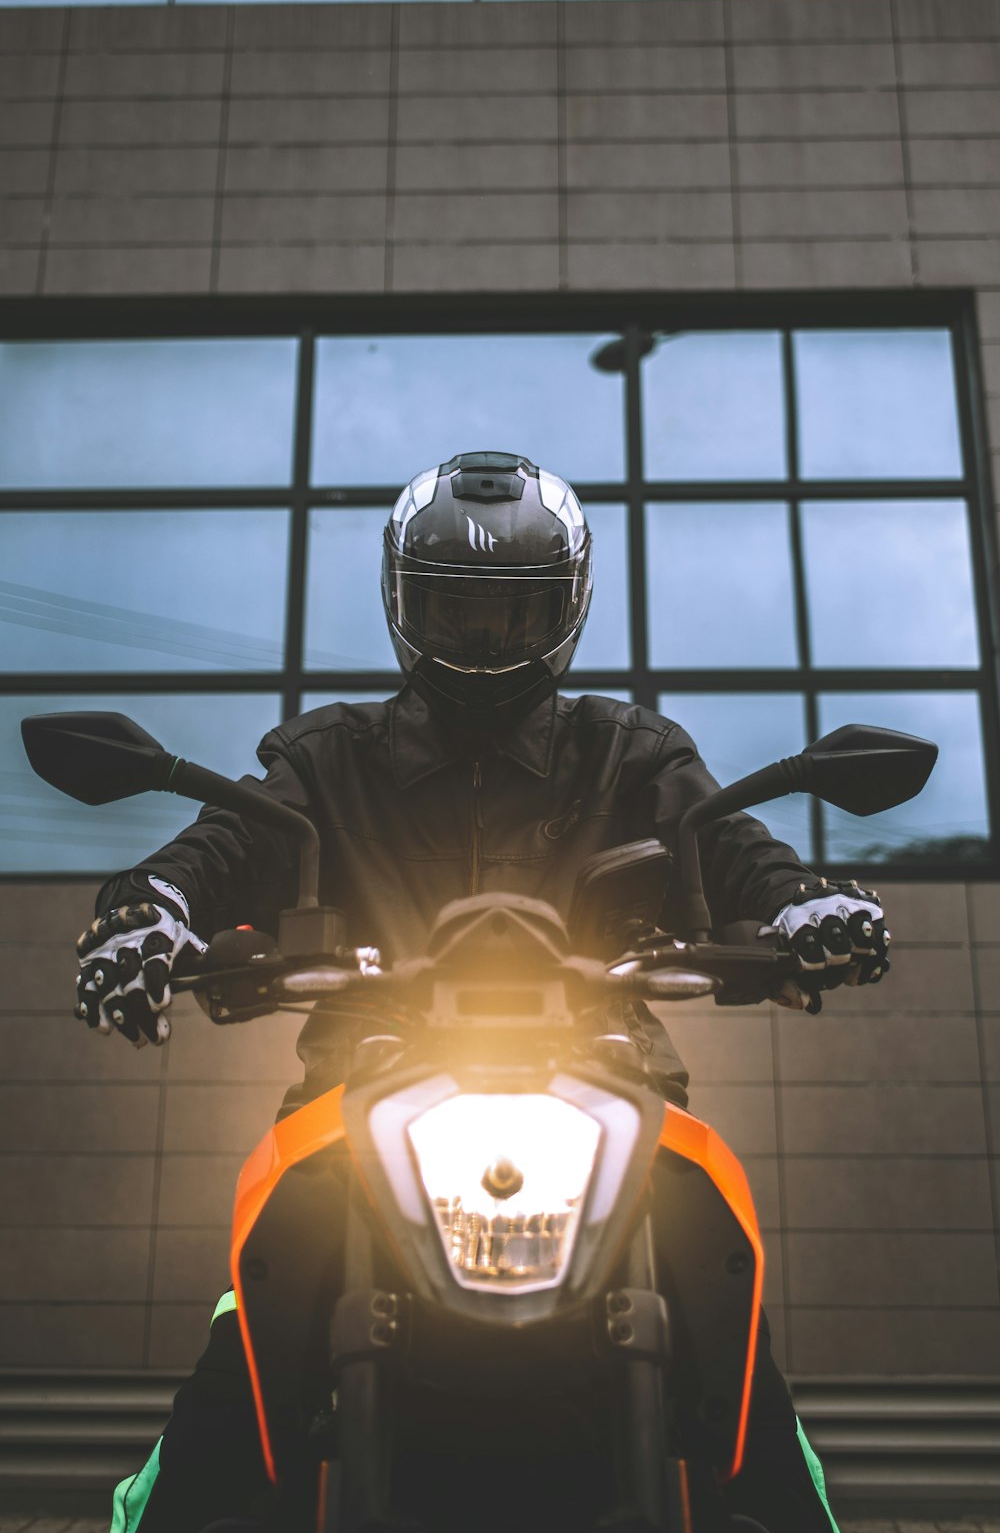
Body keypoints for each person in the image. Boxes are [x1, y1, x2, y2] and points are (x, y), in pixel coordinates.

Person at [75, 451, 887, 1533]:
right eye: (454, 610)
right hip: (360, 1099)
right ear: (403, 603)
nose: (482, 639)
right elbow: (224, 841)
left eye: (512, 615)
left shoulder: (630, 751)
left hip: (613, 1087)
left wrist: (804, 906)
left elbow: (734, 847)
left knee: (720, 1264)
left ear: (567, 610)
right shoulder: (325, 758)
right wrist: (149, 909)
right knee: (251, 1313)